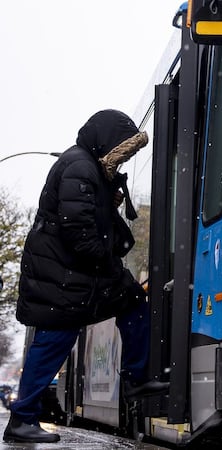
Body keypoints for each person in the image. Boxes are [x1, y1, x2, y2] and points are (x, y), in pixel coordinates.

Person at [3, 109, 169, 444]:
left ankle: (135, 378)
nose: (123, 159)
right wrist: (108, 264)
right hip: (63, 277)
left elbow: (85, 218)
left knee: (130, 302)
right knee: (53, 341)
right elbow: (78, 229)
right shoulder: (80, 167)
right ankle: (22, 419)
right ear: (107, 143)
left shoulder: (87, 166)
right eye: (122, 151)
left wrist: (109, 196)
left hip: (67, 274)